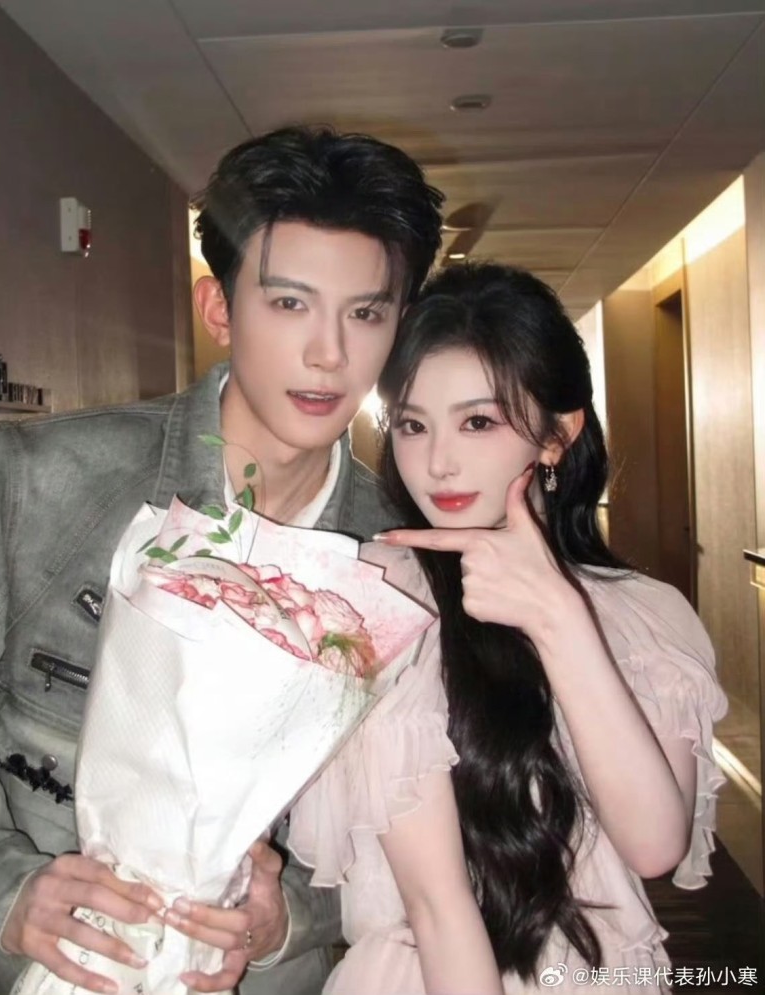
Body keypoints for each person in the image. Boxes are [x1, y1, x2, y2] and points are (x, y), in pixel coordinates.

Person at [0, 125, 443, 995]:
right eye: (289, 303)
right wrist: (0, 883)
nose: (330, 353)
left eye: (366, 313)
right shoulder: (43, 481)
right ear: (220, 307)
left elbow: (416, 843)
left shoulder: (399, 562)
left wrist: (287, 916)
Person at [288, 262, 727, 993]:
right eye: (412, 425)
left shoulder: (647, 612)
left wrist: (559, 619)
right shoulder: (380, 596)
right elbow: (437, 908)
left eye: (478, 422)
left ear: (557, 435)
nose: (437, 463)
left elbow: (654, 844)